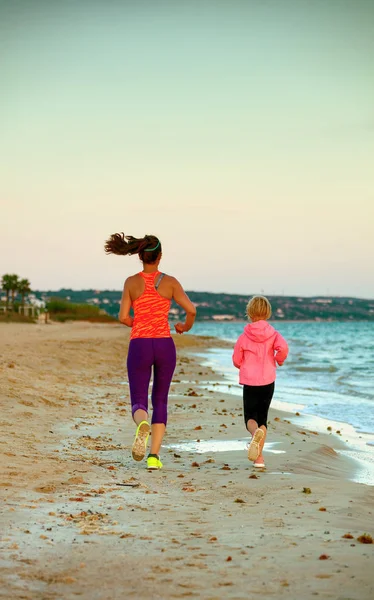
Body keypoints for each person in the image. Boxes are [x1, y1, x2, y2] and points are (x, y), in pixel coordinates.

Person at [105, 233, 196, 470]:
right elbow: (191, 310)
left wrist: (139, 323)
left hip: (140, 344)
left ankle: (141, 423)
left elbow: (123, 316)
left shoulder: (131, 282)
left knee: (138, 398)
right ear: (160, 256)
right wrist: (184, 326)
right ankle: (154, 457)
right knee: (161, 399)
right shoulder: (171, 282)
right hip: (165, 344)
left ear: (140, 256)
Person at [232, 296, 288, 468]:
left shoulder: (244, 336)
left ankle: (256, 441)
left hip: (250, 381)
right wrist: (279, 360)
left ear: (249, 312)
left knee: (250, 417)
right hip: (267, 380)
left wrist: (242, 365)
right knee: (263, 418)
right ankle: (259, 460)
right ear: (268, 313)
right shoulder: (274, 334)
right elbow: (283, 349)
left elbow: (236, 359)